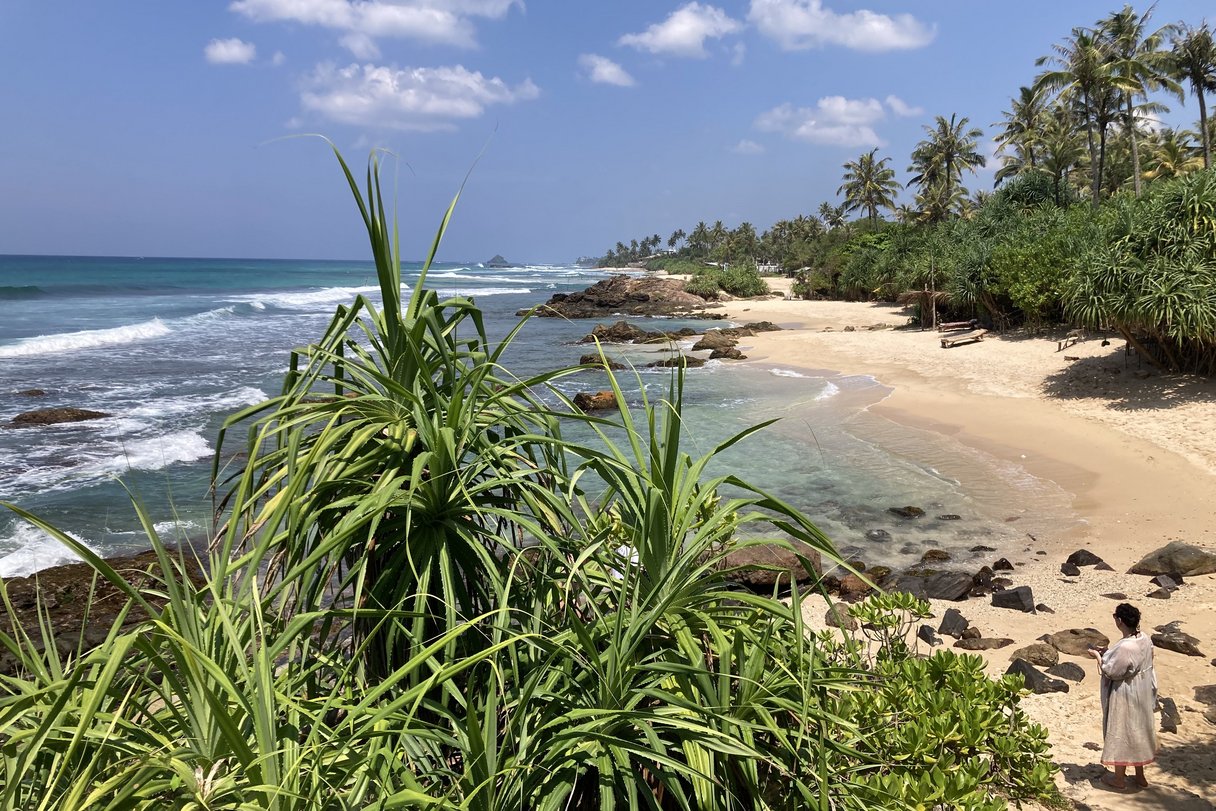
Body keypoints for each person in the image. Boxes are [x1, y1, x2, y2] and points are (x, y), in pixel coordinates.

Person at [1087, 602, 1157, 789]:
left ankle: (1119, 779)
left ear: (1119, 621)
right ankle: (1140, 777)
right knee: (1139, 730)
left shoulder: (1125, 646)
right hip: (1142, 689)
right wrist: (1108, 653)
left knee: (1121, 730)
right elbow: (1141, 659)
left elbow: (1111, 671)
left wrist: (1097, 656)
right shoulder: (1144, 638)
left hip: (1126, 692)